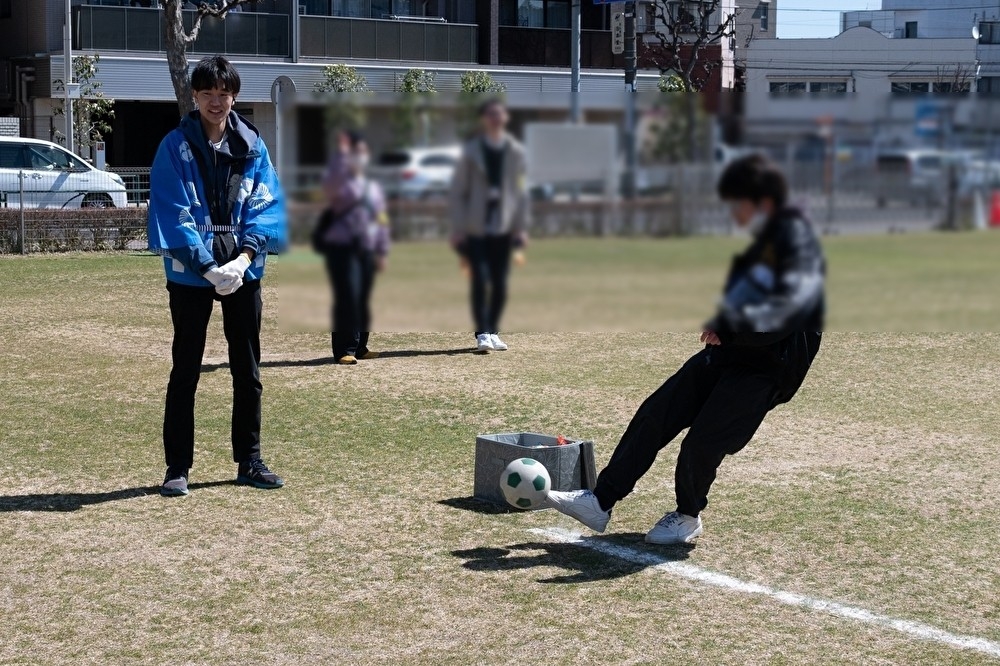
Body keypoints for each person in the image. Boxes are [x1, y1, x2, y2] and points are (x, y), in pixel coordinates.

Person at [546, 154, 825, 545]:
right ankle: (600, 501)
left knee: (702, 444)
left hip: (764, 370)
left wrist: (729, 329)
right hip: (729, 354)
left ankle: (687, 515)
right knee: (656, 413)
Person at [148, 55, 287, 497]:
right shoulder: (175, 145)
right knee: (185, 367)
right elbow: (171, 209)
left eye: (223, 93)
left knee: (247, 368)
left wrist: (244, 258)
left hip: (243, 272)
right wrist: (207, 267)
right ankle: (177, 467)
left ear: (234, 96)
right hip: (192, 275)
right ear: (195, 95)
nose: (215, 101)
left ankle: (249, 458)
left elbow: (267, 204)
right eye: (207, 93)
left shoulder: (253, 146)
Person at [449, 98, 529, 353]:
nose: (496, 118)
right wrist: (458, 227)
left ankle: (493, 331)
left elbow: (521, 192)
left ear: (505, 118)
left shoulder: (515, 151)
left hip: (503, 225)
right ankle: (482, 333)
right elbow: (458, 191)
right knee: (480, 279)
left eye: (500, 114)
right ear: (484, 119)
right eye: (491, 114)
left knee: (500, 282)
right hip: (476, 225)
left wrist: (521, 226)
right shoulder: (471, 151)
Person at [318, 130, 390, 365]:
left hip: (367, 248)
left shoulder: (373, 186)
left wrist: (382, 249)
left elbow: (381, 218)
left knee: (363, 297)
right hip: (342, 246)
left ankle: (360, 346)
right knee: (347, 296)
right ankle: (344, 349)